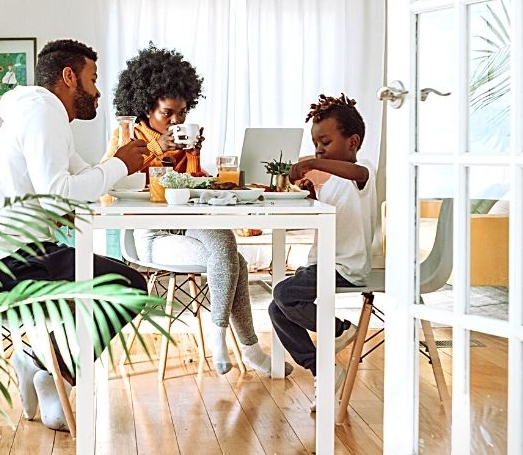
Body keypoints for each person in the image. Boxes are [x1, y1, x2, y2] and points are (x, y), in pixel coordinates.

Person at [0, 39, 149, 431]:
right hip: (5, 261)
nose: (96, 92)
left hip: (17, 250)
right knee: (128, 285)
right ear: (69, 76)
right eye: (92, 80)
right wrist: (119, 164)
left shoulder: (41, 113)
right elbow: (61, 192)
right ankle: (46, 369)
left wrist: (117, 166)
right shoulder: (44, 114)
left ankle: (41, 364)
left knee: (117, 280)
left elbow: (78, 180)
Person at [103, 44, 285, 377]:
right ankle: (242, 346)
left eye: (182, 112)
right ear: (145, 107)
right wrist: (158, 147)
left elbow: (190, 189)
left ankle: (232, 342)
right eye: (167, 113)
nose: (176, 120)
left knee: (226, 246)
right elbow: (111, 186)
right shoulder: (127, 136)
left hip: (188, 224)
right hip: (152, 235)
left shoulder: (184, 139)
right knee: (234, 260)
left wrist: (196, 157)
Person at [268, 93, 377, 408]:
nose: (318, 150)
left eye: (325, 143)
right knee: (277, 309)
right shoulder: (331, 184)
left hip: (345, 268)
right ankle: (323, 370)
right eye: (316, 144)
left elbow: (357, 175)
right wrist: (311, 192)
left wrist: (313, 163)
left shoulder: (362, 172)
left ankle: (340, 329)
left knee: (284, 294)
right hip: (321, 265)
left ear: (353, 142)